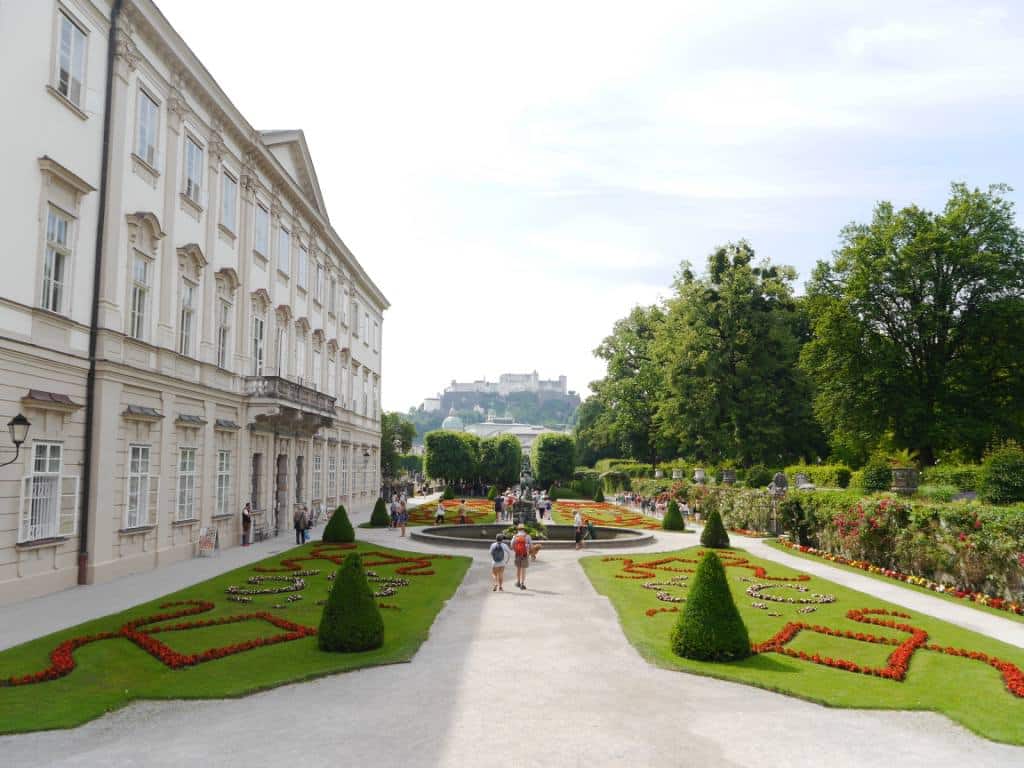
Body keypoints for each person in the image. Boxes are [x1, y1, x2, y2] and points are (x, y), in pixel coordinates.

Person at [512, 523, 533, 590]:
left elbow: (512, 545)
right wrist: (529, 552)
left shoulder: (515, 536)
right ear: (524, 529)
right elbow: (531, 546)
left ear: (518, 529)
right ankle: (522, 584)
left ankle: (518, 582)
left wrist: (516, 550)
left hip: (517, 554)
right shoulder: (527, 536)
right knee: (523, 570)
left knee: (518, 569)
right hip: (525, 554)